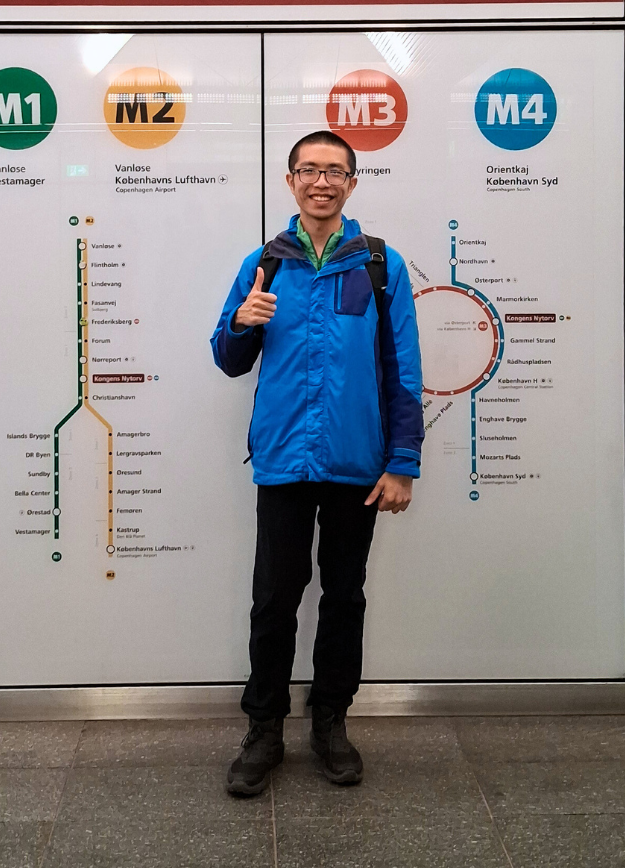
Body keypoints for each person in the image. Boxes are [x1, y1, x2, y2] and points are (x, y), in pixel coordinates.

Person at [211, 129, 424, 796]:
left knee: (344, 596)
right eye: (309, 170)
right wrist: (242, 320)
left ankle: (330, 720)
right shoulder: (264, 263)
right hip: (281, 461)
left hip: (356, 465)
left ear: (352, 182)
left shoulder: (379, 264)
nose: (321, 181)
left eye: (334, 170)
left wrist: (402, 461)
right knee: (274, 600)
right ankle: (264, 730)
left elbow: (404, 371)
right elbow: (227, 357)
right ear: (291, 180)